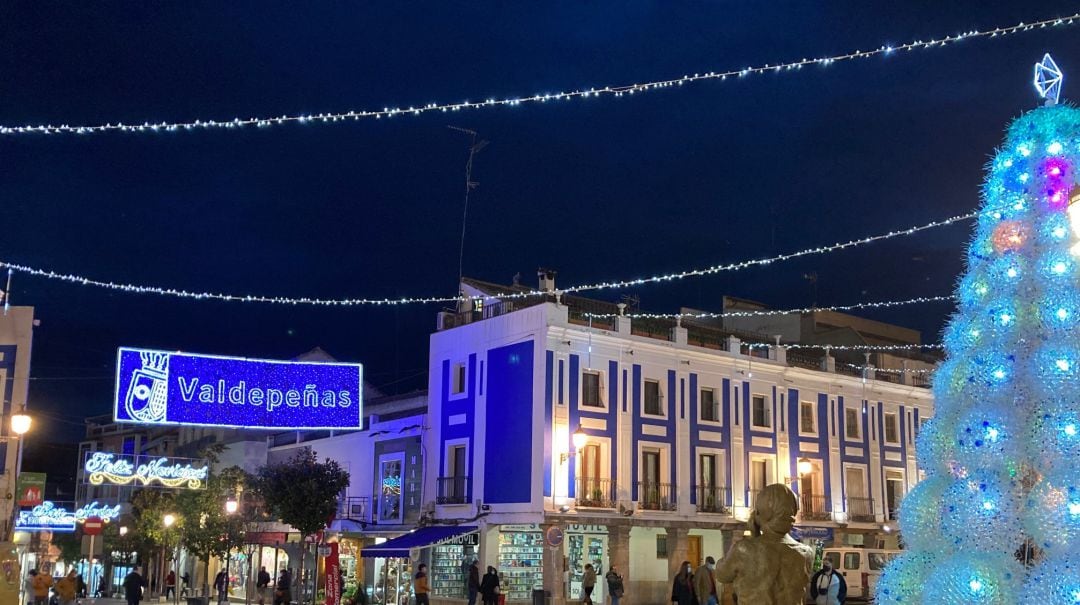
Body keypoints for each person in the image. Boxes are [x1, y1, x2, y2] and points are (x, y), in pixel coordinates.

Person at [716, 484, 815, 605]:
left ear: (760, 514)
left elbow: (722, 575)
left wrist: (754, 534)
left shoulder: (744, 549)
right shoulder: (806, 553)